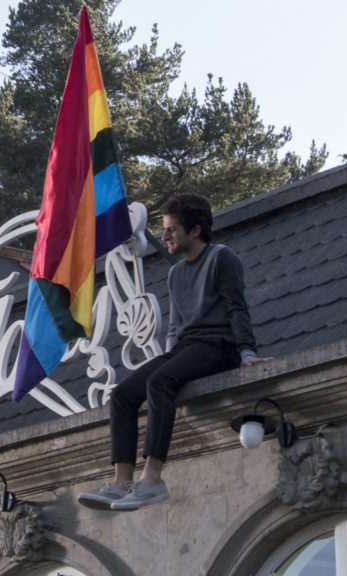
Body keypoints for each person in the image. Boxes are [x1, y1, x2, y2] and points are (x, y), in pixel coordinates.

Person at [78, 193, 270, 511]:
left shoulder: (222, 258)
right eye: (164, 229)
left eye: (171, 229)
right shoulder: (175, 273)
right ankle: (122, 482)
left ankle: (152, 481)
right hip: (185, 349)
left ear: (195, 230)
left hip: (218, 347)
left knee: (160, 382)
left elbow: (237, 308)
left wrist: (247, 353)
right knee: (123, 394)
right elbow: (174, 326)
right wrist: (170, 358)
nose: (164, 236)